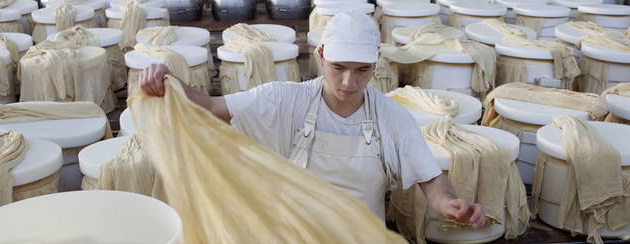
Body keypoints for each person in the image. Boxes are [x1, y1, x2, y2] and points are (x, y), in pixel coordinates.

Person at [139, 10, 486, 228]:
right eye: (339, 67)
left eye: (362, 70)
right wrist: (168, 80)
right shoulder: (285, 100)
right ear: (320, 55)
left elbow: (430, 179)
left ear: (376, 62)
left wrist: (448, 204)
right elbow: (210, 106)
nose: (349, 82)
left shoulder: (392, 116)